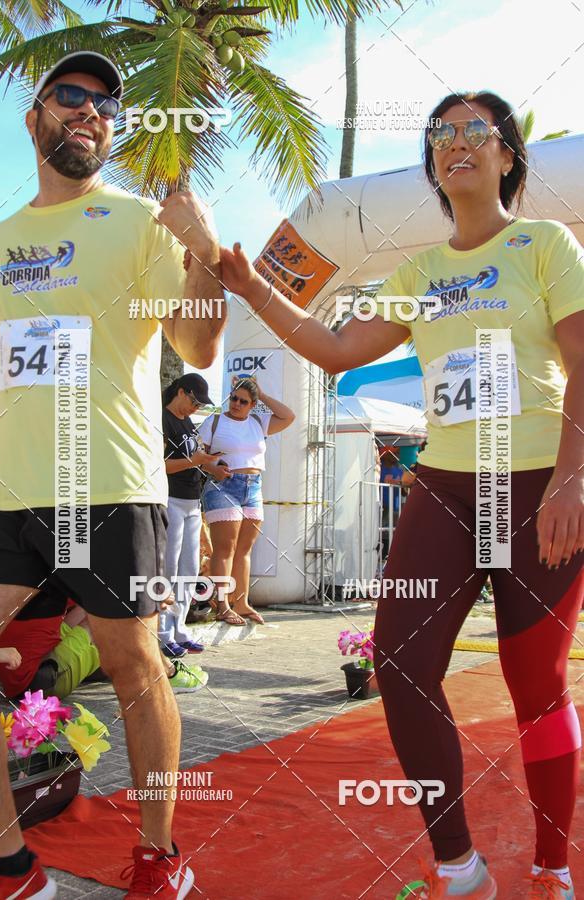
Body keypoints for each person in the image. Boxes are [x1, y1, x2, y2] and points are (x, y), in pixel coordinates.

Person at [219, 91, 584, 899]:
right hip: (449, 484)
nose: (456, 143)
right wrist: (255, 290)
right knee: (400, 661)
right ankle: (458, 866)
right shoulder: (418, 271)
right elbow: (337, 346)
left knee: (537, 686)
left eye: (474, 131)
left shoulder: (545, 243)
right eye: (441, 133)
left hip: (533, 483)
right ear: (432, 160)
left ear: (508, 154)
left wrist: (573, 478)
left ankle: (554, 867)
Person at [0, 51, 225, 899]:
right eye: (71, 96)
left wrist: (200, 253)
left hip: (112, 483)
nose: (90, 111)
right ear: (35, 119)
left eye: (105, 104)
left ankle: (160, 857)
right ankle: (13, 865)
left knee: (132, 665)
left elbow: (196, 346)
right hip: (10, 490)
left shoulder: (137, 221)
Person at [197, 377, 295, 625]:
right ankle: (222, 605)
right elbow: (199, 455)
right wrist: (213, 468)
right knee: (224, 549)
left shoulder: (258, 422)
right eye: (233, 398)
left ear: (253, 404)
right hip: (223, 485)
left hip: (253, 487)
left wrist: (261, 394)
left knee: (244, 549)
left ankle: (241, 603)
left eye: (243, 401)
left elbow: (288, 416)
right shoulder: (214, 421)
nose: (236, 404)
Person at [160, 372, 223, 658]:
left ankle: (179, 627)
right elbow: (160, 465)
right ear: (182, 392)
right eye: (195, 402)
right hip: (171, 498)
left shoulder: (186, 422)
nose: (196, 409)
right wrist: (195, 461)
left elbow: (196, 457)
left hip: (191, 500)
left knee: (189, 568)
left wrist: (213, 466)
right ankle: (162, 631)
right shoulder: (164, 418)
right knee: (168, 568)